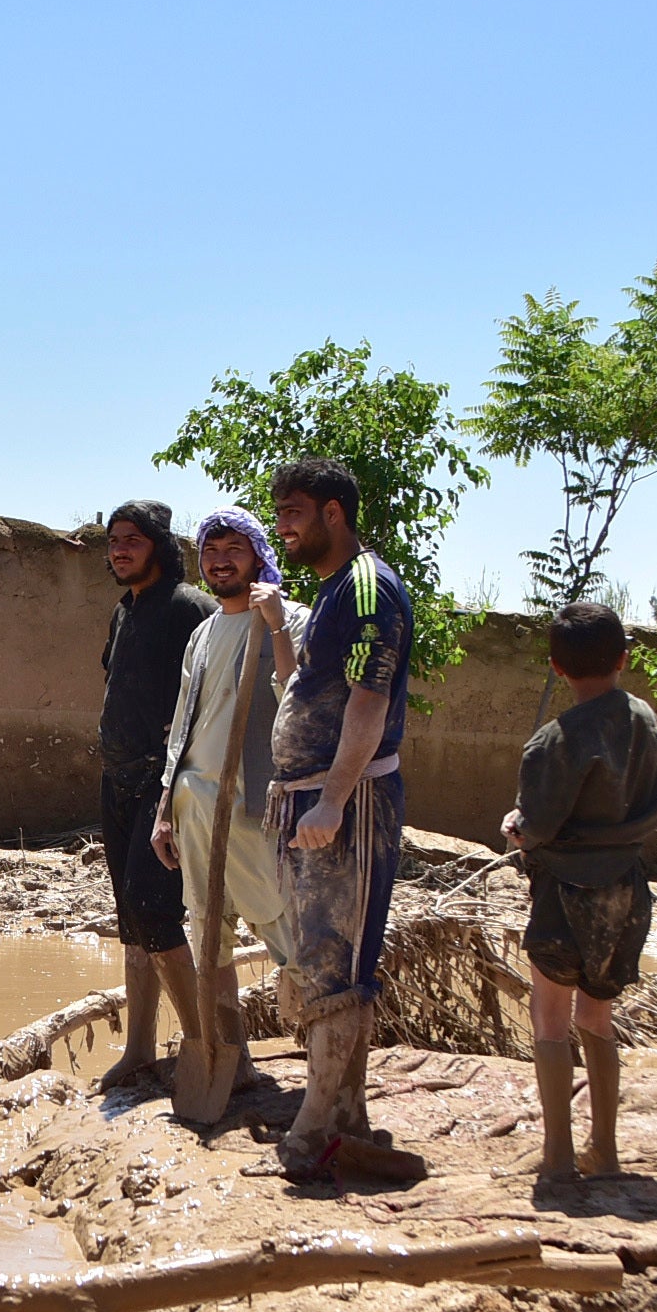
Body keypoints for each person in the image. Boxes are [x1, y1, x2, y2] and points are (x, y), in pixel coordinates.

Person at [265, 458, 417, 1180]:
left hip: (345, 804)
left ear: (333, 512)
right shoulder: (331, 591)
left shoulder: (366, 589)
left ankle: (311, 1131)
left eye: (294, 510)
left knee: (335, 964)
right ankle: (347, 1117)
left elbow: (368, 700)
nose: (282, 525)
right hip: (316, 800)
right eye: (279, 512)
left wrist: (332, 799)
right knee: (327, 959)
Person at [502, 600, 657, 1182]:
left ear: (556, 666)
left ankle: (556, 1158)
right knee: (596, 1015)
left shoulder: (552, 740)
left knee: (549, 1015)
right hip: (627, 889)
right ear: (625, 658)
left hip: (563, 892)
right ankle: (605, 1150)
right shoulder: (647, 723)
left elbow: (538, 826)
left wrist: (517, 828)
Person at [149, 507, 308, 1122]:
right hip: (194, 807)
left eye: (233, 548)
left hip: (256, 812)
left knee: (289, 935)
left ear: (258, 555)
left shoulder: (289, 619)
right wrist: (166, 807)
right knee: (208, 940)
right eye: (210, 549)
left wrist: (275, 627)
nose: (219, 559)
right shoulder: (204, 632)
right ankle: (229, 1057)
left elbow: (304, 700)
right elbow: (183, 727)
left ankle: (326, 1070)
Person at [94, 500, 218, 1090]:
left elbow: (215, 699)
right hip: (116, 781)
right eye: (114, 540)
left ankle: (205, 1047)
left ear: (159, 546)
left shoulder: (190, 610)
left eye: (132, 540)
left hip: (165, 785)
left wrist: (178, 789)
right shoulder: (125, 611)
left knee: (155, 911)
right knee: (130, 922)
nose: (120, 549)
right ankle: (139, 1048)